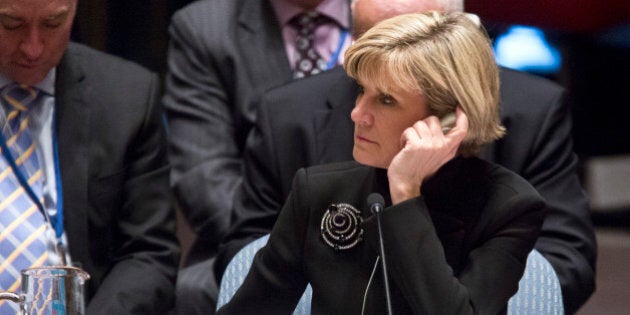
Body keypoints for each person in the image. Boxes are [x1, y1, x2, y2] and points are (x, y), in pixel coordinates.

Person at [217, 0, 596, 312]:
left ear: (448, 117)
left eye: (385, 100)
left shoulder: (508, 208)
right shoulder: (317, 190)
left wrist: (405, 194)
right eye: (361, 91)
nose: (356, 113)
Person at [162, 0, 351, 313]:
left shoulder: (393, 10)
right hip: (261, 227)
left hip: (376, 220)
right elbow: (205, 176)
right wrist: (296, 248)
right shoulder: (205, 27)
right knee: (192, 291)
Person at [0, 0, 179, 313]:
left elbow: (149, 254)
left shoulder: (128, 97)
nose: (33, 48)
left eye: (53, 24)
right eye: (11, 25)